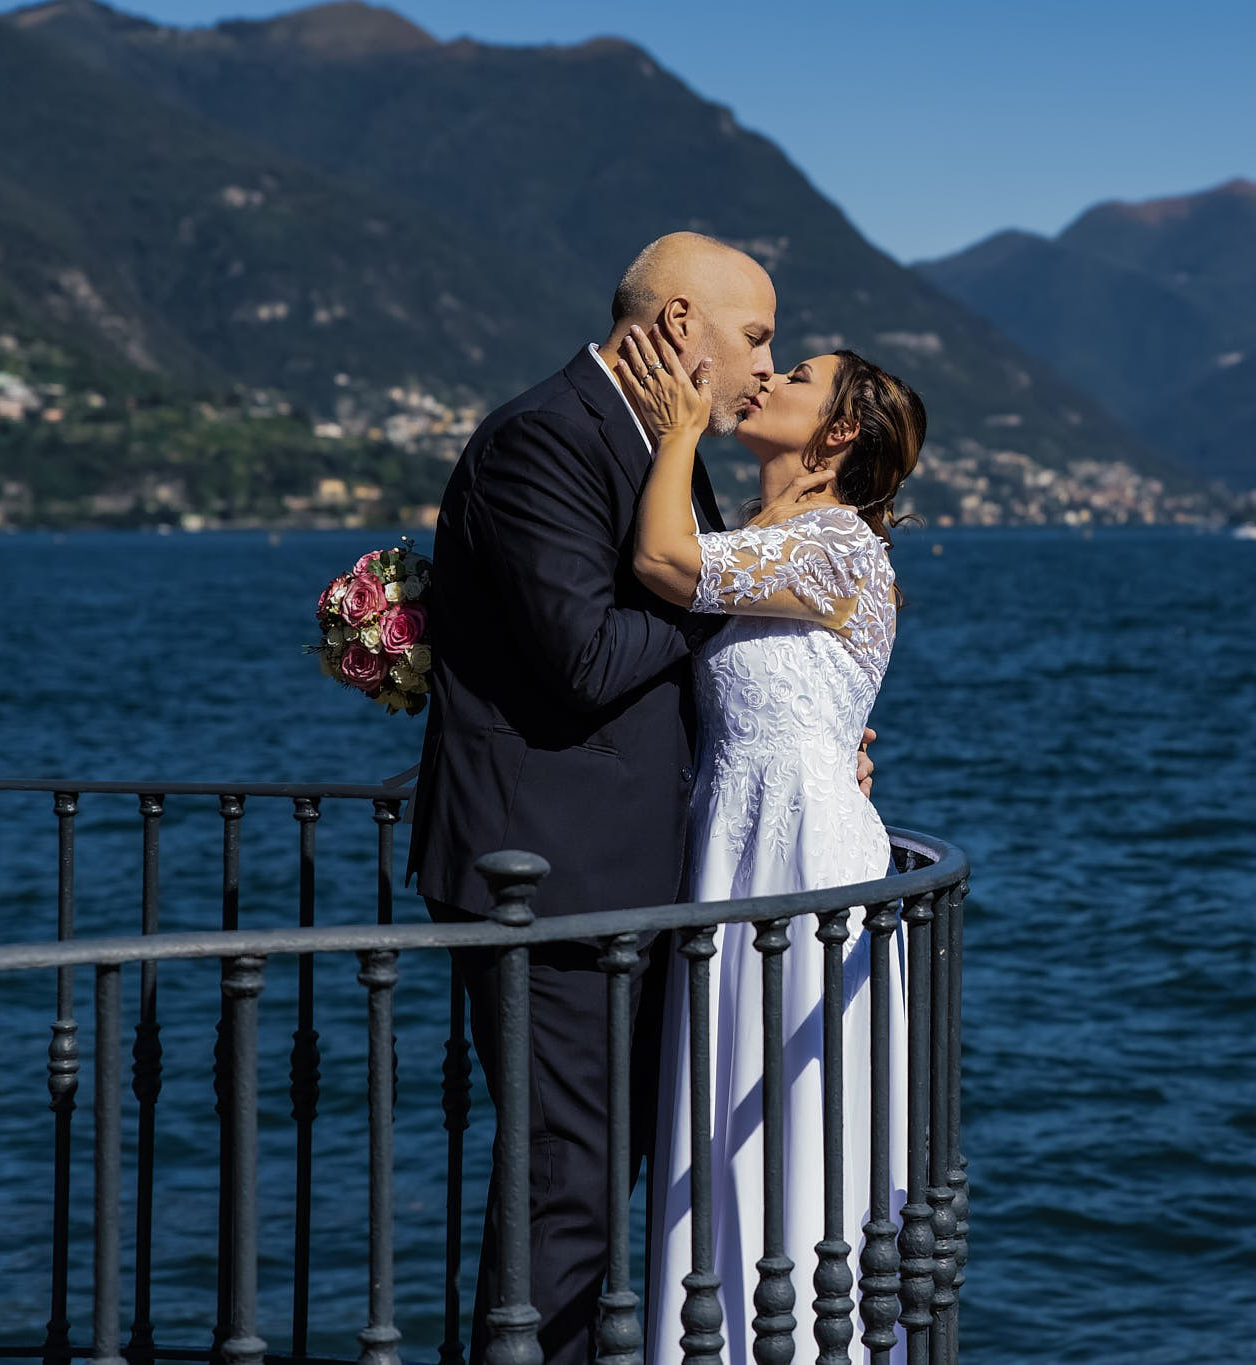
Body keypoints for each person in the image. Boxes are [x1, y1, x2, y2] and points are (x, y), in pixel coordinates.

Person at [407, 232, 874, 1365]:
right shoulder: (544, 441)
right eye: (755, 337)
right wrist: (710, 586)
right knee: (565, 1186)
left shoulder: (651, 444)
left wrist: (807, 739)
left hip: (631, 880)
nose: (764, 368)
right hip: (548, 880)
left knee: (610, 1175)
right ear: (675, 327)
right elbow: (585, 658)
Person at [607, 321, 924, 1362]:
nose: (769, 379)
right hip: (731, 839)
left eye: (796, 376)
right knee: (717, 1105)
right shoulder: (761, 535)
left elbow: (660, 561)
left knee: (784, 1114)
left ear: (834, 434)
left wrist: (676, 431)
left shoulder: (836, 544)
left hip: (802, 855)